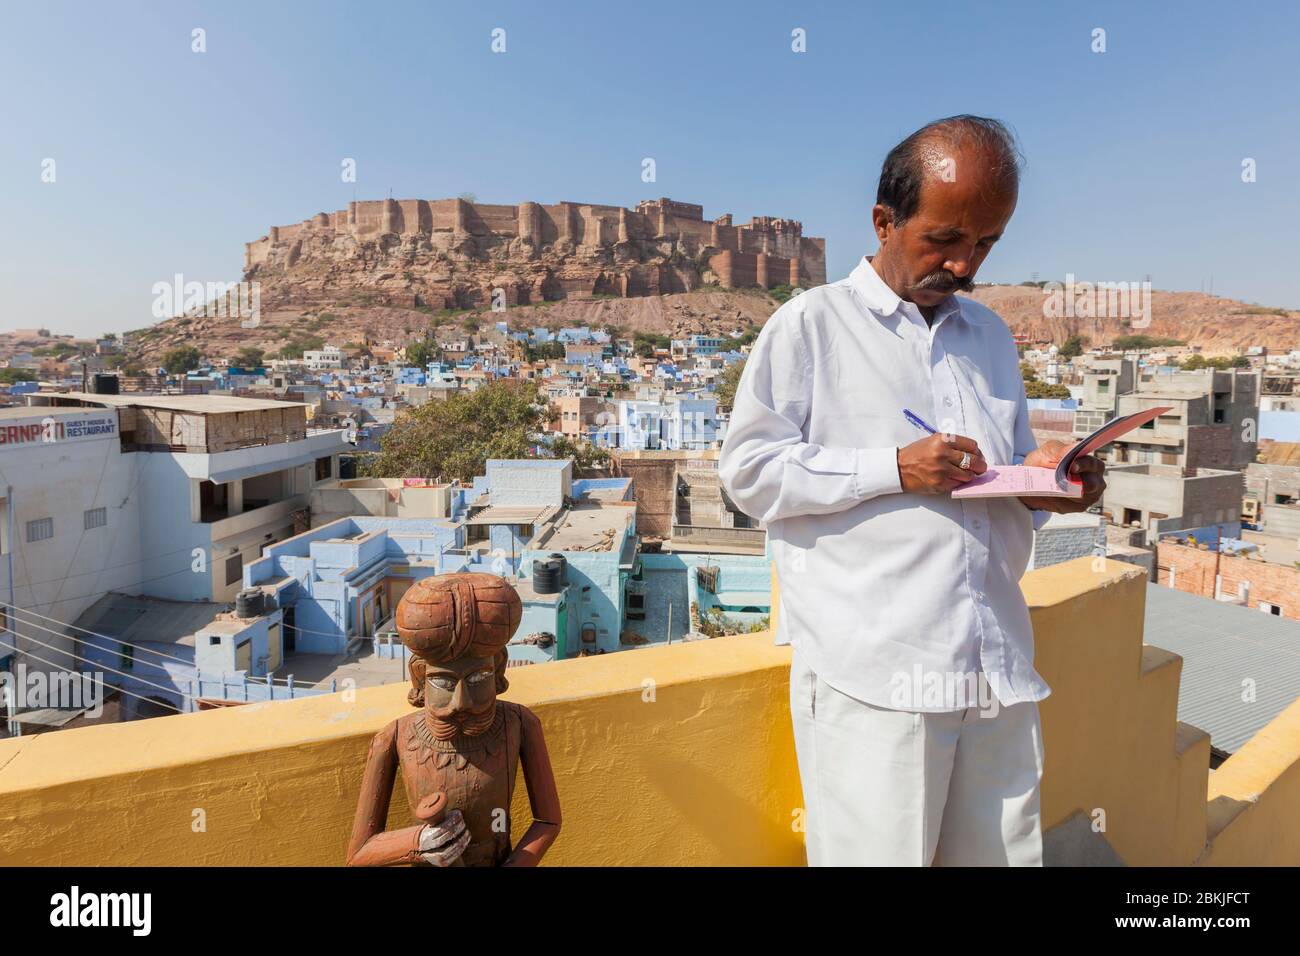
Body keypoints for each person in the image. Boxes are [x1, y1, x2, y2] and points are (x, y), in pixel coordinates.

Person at [718, 115, 1105, 866]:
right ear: (883, 221)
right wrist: (894, 468)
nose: (964, 266)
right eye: (945, 240)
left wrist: (1048, 483)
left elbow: (1001, 466)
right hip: (877, 678)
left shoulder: (988, 335)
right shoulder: (810, 327)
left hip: (993, 664)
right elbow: (750, 474)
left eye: (986, 244)